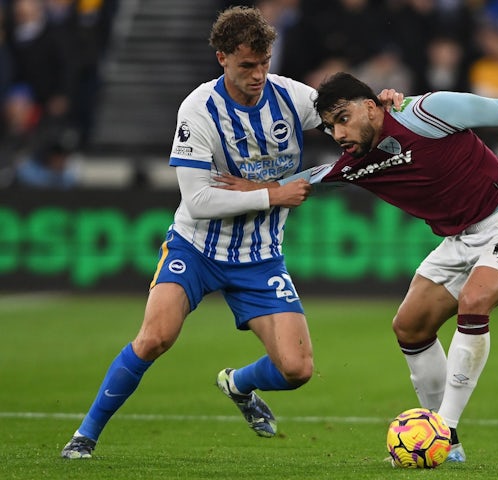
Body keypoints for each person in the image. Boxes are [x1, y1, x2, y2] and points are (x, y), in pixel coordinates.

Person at [60, 6, 400, 460]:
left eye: (264, 63)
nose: (259, 74)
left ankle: (237, 384)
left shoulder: (292, 98)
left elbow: (349, 118)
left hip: (261, 256)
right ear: (222, 58)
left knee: (297, 370)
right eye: (247, 66)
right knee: (155, 337)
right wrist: (271, 195)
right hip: (197, 247)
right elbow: (198, 200)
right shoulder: (199, 110)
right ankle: (84, 436)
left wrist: (387, 104)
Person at [216, 72, 498, 463]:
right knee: (409, 326)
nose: (337, 134)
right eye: (330, 127)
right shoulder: (355, 164)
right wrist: (257, 191)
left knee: (474, 300)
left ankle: (444, 430)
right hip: (459, 240)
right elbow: (308, 182)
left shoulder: (426, 111)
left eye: (342, 118)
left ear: (370, 106)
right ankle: (449, 447)